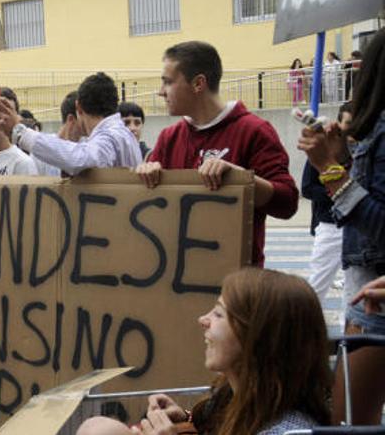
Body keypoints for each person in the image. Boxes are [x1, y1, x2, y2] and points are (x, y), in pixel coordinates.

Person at [76, 268, 330, 435]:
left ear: (259, 337)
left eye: (219, 313)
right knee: (99, 428)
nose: (203, 319)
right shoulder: (231, 398)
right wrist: (186, 420)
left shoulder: (288, 430)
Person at [135, 41, 298, 267]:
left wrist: (240, 178)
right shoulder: (168, 137)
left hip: (234, 284)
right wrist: (145, 178)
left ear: (198, 83)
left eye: (168, 82)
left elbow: (288, 203)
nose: (160, 92)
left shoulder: (254, 131)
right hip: (175, 281)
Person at [298, 27, 385, 425]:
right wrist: (342, 160)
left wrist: (329, 170)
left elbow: (380, 224)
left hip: (374, 301)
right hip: (366, 292)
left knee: (348, 421)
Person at [0, 73, 142, 176]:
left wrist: (21, 132)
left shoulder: (109, 138)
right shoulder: (123, 134)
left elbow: (80, 159)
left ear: (78, 108)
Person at [301, 103, 353, 302]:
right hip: (330, 224)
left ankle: (349, 330)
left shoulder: (366, 149)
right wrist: (337, 190)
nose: (351, 129)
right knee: (318, 280)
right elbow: (307, 188)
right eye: (347, 123)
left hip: (358, 226)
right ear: (338, 123)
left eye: (355, 123)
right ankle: (305, 325)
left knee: (354, 287)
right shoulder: (322, 148)